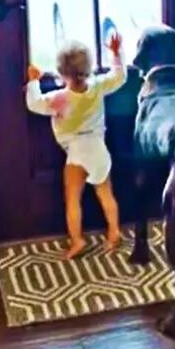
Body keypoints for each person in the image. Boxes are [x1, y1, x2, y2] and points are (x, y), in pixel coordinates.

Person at [25, 34, 126, 259]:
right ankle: (114, 231)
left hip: (77, 153)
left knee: (72, 200)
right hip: (99, 149)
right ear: (89, 68)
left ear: (61, 74)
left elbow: (34, 104)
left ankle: (78, 240)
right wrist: (116, 53)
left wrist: (33, 80)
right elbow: (119, 77)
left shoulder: (59, 98)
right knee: (107, 195)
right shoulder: (98, 87)